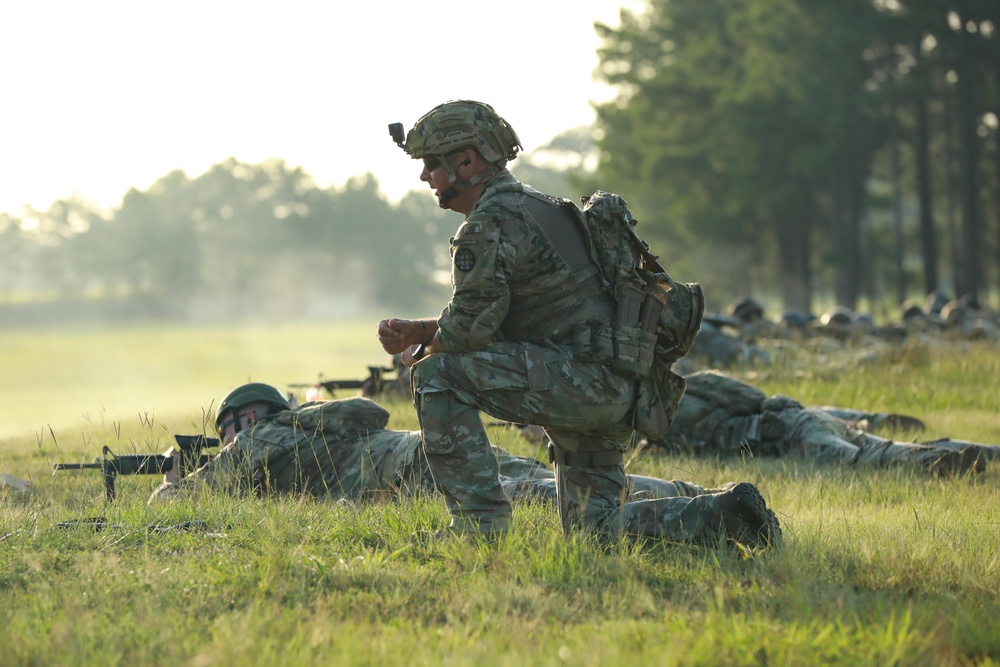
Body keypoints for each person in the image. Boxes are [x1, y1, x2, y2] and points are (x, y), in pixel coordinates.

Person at [377, 100, 779, 548]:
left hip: (578, 383)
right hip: (612, 387)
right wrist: (425, 329)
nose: (424, 176)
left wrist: (426, 347)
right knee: (596, 533)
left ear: (467, 161)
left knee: (436, 375)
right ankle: (723, 515)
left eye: (432, 163)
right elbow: (503, 314)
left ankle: (478, 529)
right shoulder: (545, 207)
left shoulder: (488, 224)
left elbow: (468, 332)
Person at [149, 384, 748, 539]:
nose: (228, 440)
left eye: (227, 430)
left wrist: (174, 482)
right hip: (436, 450)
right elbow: (372, 414)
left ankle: (711, 514)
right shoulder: (303, 431)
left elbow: (179, 505)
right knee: (555, 482)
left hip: (421, 474)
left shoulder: (260, 441)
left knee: (551, 498)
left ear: (242, 421)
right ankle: (686, 490)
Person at [648, 370, 990, 475]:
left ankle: (939, 463)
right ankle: (976, 453)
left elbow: (760, 401)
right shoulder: (652, 421)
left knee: (864, 460)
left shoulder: (693, 385)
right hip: (798, 426)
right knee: (880, 450)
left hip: (793, 429)